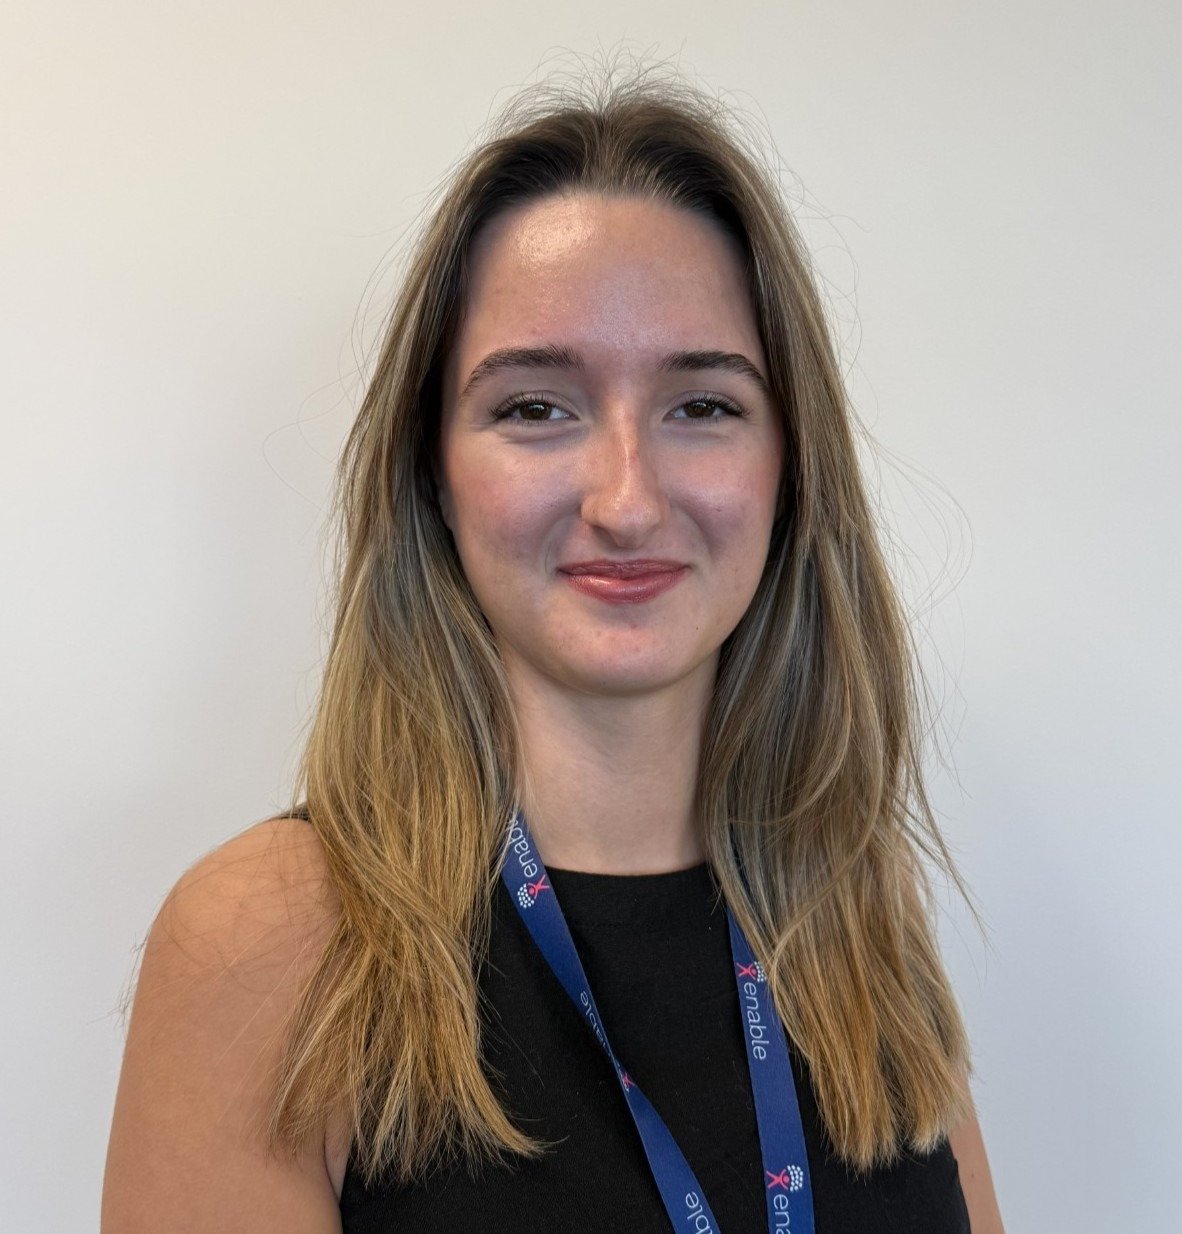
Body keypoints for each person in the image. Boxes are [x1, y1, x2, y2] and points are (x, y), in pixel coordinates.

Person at [102, 62, 1004, 1233]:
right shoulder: (272, 939)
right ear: (432, 472)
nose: (627, 500)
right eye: (534, 407)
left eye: (703, 405)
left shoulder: (853, 909)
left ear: (790, 469)